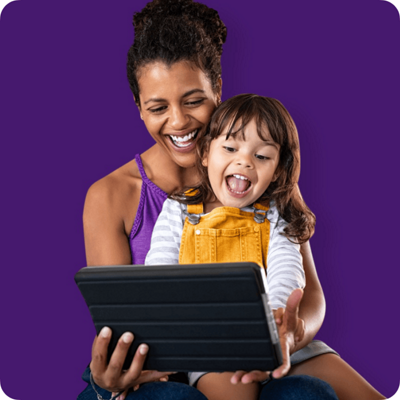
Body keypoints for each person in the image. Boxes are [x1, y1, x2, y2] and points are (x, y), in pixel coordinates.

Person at [80, 0, 385, 399]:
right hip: (180, 357)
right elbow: (125, 320)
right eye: (157, 107)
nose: (178, 122)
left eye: (193, 101)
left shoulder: (263, 175)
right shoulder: (113, 195)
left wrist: (288, 336)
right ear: (139, 109)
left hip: (273, 341)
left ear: (217, 89)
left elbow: (306, 291)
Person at [144, 93, 337, 400]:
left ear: (276, 169)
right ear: (206, 152)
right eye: (231, 148)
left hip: (277, 338)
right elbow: (158, 275)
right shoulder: (179, 211)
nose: (245, 160)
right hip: (214, 347)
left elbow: (287, 268)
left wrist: (275, 324)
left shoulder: (276, 212)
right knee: (234, 389)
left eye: (262, 156)